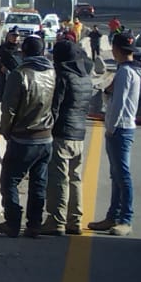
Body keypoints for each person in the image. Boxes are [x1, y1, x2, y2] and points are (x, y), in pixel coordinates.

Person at [0, 35, 56, 238]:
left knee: (9, 180)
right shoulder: (52, 72)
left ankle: (12, 223)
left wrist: (5, 132)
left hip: (24, 137)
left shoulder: (19, 74)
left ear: (23, 52)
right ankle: (34, 224)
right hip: (46, 138)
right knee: (38, 183)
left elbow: (8, 109)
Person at [42, 39, 95, 235]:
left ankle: (56, 221)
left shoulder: (63, 76)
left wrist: (46, 128)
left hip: (62, 133)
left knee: (58, 178)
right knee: (75, 178)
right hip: (79, 134)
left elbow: (55, 107)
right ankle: (75, 220)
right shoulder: (85, 77)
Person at [91, 32, 141, 236]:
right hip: (123, 126)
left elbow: (119, 102)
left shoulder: (125, 73)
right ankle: (113, 216)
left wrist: (110, 127)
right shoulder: (133, 70)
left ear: (116, 50)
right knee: (116, 175)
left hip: (120, 128)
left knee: (122, 175)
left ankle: (125, 219)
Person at [0, 29, 23, 100]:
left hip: (18, 71)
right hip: (4, 72)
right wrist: (2, 66)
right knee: (4, 88)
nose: (15, 38)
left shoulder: (22, 47)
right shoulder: (3, 47)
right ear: (8, 37)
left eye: (17, 36)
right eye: (13, 36)